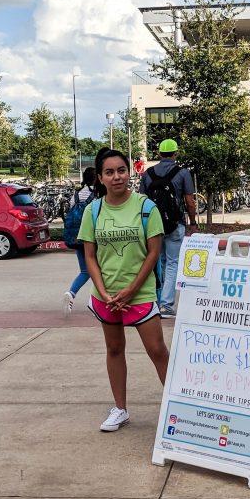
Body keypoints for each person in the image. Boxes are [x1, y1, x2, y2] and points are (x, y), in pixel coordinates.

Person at [78, 147, 170, 431]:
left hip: (139, 293)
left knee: (157, 349)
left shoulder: (146, 208)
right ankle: (120, 409)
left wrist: (131, 289)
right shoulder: (93, 211)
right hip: (106, 295)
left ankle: (177, 406)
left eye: (121, 170)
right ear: (101, 178)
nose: (117, 177)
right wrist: (104, 292)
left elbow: (153, 253)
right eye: (109, 172)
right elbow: (89, 257)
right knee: (114, 348)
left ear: (129, 172)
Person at [139, 138, 197, 317]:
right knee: (172, 262)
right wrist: (193, 223)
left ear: (158, 154)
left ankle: (156, 302)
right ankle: (166, 305)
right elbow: (190, 201)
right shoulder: (183, 173)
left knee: (159, 261)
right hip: (174, 223)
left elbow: (141, 201)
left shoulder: (147, 174)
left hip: (153, 226)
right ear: (175, 153)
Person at [63, 166, 98, 313]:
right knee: (100, 270)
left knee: (85, 270)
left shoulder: (76, 194)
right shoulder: (96, 195)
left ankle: (71, 293)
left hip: (76, 237)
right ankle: (97, 302)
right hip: (92, 238)